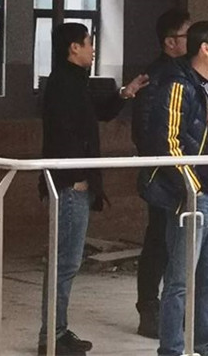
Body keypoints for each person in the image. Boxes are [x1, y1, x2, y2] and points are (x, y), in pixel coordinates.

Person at [38, 22, 148, 356]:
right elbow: (63, 134)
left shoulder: (75, 81)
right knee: (65, 263)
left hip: (74, 182)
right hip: (69, 185)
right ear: (74, 47)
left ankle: (56, 331)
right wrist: (76, 177)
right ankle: (52, 336)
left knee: (66, 263)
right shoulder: (62, 84)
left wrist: (125, 93)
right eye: (89, 43)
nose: (93, 48)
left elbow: (96, 113)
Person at [140, 21, 208, 356]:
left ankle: (205, 344)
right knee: (180, 279)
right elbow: (168, 142)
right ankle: (172, 348)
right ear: (205, 49)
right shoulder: (178, 85)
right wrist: (191, 188)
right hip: (194, 197)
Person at [132, 8, 191, 339]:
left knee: (174, 243)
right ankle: (149, 309)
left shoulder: (187, 73)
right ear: (170, 42)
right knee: (157, 241)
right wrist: (165, 166)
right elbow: (145, 130)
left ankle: (171, 310)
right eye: (187, 35)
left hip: (183, 172)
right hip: (162, 172)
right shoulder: (158, 77)